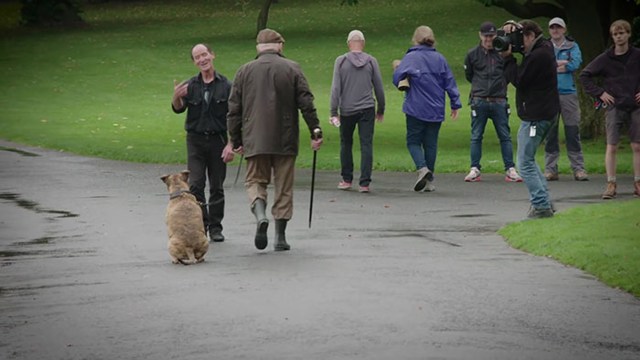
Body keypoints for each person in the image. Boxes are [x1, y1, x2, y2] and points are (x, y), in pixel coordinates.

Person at [227, 29, 323, 251]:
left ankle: (260, 215)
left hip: (255, 138)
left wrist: (236, 139)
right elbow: (306, 102)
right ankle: (280, 237)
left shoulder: (244, 71)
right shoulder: (292, 68)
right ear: (279, 46)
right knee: (284, 187)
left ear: (258, 48)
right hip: (285, 138)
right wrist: (315, 131)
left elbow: (234, 110)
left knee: (255, 181)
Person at [171, 43, 235, 242]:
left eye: (204, 54)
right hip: (196, 141)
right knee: (196, 184)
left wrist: (231, 144)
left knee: (216, 186)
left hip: (218, 140)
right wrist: (176, 97)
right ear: (194, 62)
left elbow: (234, 116)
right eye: (197, 57)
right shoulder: (190, 85)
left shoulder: (226, 85)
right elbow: (178, 108)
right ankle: (201, 225)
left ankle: (216, 228)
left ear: (212, 55)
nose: (202, 59)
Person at [501, 19, 560, 219]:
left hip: (537, 116)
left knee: (524, 163)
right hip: (542, 113)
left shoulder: (539, 55)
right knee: (529, 159)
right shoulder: (543, 48)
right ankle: (544, 201)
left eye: (520, 38)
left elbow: (519, 80)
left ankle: (541, 206)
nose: (519, 43)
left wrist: (508, 58)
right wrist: (513, 26)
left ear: (530, 36)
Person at [392, 25, 461, 192]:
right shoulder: (440, 59)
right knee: (431, 144)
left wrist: (398, 69)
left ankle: (422, 168)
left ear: (415, 39)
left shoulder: (411, 57)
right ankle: (430, 181)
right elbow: (449, 82)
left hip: (415, 107)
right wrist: (455, 103)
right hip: (436, 108)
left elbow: (397, 78)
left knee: (413, 141)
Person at [580, 19, 640, 199]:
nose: (619, 37)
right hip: (614, 104)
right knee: (612, 145)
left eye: (622, 33)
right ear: (612, 37)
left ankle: (637, 181)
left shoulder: (637, 55)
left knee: (637, 145)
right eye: (615, 34)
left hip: (636, 105)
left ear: (628, 34)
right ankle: (611, 183)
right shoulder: (606, 58)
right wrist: (600, 93)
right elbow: (585, 76)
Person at [463, 21, 522, 183]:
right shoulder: (472, 54)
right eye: (486, 36)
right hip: (479, 100)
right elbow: (469, 75)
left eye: (491, 36)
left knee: (505, 135)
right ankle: (475, 168)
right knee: (476, 136)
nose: (489, 39)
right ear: (480, 36)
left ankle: (510, 168)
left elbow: (510, 72)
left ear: (496, 35)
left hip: (499, 100)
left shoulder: (502, 52)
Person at [330, 29, 386, 193]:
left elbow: (335, 88)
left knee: (346, 143)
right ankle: (364, 183)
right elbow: (379, 87)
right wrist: (381, 109)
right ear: (363, 43)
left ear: (348, 44)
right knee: (366, 144)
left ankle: (347, 179)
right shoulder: (371, 61)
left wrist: (333, 111)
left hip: (347, 109)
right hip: (367, 108)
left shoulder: (340, 61)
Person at [544, 17, 589, 182]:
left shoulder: (572, 45)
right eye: (552, 27)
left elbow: (576, 62)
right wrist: (559, 64)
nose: (555, 30)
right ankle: (550, 169)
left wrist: (564, 65)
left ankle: (578, 169)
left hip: (568, 93)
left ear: (564, 29)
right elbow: (543, 64)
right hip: (550, 94)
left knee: (572, 131)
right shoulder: (545, 46)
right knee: (550, 133)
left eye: (558, 27)